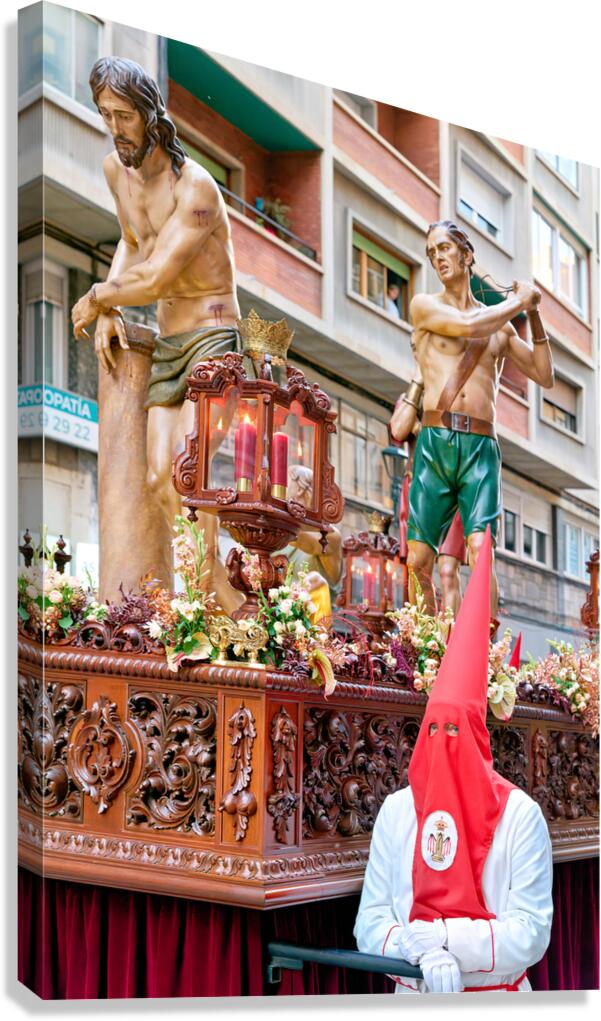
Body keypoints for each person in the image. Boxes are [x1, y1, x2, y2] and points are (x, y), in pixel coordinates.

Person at [70, 57, 241, 610]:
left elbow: (159, 274)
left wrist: (99, 297)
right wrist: (112, 306)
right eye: (105, 115)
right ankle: (227, 608)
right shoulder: (113, 171)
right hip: (169, 345)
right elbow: (131, 241)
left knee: (184, 475)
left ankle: (213, 612)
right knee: (158, 482)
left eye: (124, 116)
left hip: (214, 337)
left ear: (149, 114)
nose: (115, 129)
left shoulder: (196, 188)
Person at [354, 528, 553, 993]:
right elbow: (370, 920)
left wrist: (446, 938)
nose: (444, 743)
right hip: (409, 993)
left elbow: (530, 931)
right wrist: (412, 947)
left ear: (479, 739)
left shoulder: (521, 816)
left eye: (456, 731)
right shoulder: (398, 810)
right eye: (433, 731)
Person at [404, 219, 554, 623]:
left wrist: (534, 315)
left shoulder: (502, 329)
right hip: (436, 440)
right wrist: (520, 302)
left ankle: (482, 656)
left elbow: (545, 375)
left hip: (481, 448)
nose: (437, 258)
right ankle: (428, 642)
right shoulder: (425, 306)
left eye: (445, 249)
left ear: (467, 255)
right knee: (418, 556)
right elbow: (469, 326)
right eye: (432, 252)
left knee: (480, 551)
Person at [391, 387, 466, 616]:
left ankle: (453, 641)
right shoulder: (409, 397)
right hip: (419, 487)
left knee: (447, 571)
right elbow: (398, 431)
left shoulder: (461, 395)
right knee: (417, 567)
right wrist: (417, 387)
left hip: (454, 487)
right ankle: (424, 641)